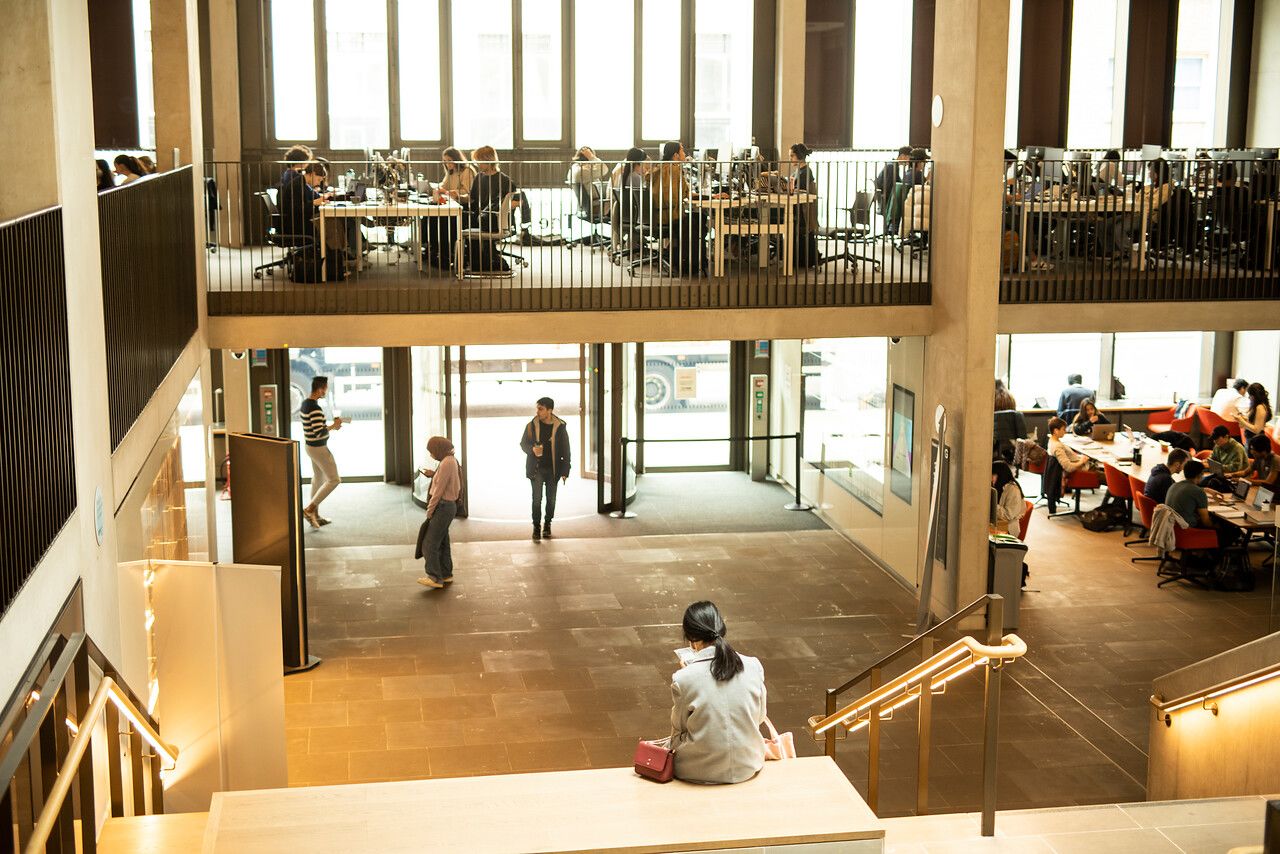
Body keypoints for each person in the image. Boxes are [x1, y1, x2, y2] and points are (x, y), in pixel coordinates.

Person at [666, 601, 766, 785]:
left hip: (697, 769)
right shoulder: (753, 665)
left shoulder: (683, 678)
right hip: (749, 763)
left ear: (691, 639)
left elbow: (679, 729)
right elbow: (759, 717)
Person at [648, 141, 707, 275]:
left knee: (698, 219)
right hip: (668, 217)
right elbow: (673, 198)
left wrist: (707, 195)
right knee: (699, 220)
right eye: (682, 151)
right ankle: (689, 262)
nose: (684, 154)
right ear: (675, 155)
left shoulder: (659, 167)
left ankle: (678, 256)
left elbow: (682, 193)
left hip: (657, 215)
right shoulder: (673, 169)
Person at [464, 145, 523, 273]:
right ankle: (470, 259)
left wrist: (502, 209)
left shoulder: (504, 180)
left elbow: (518, 201)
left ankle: (481, 260)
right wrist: (456, 196)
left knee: (468, 222)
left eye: (479, 161)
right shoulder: (479, 177)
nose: (477, 164)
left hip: (495, 220)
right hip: (480, 216)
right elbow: (472, 198)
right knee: (457, 219)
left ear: (488, 160)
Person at [520, 397, 570, 541]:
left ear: (550, 410)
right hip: (536, 469)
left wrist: (565, 470)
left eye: (541, 409)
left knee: (551, 500)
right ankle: (536, 526)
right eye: (537, 408)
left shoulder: (559, 427)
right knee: (536, 500)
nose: (538, 412)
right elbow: (523, 444)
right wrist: (532, 450)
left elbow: (566, 450)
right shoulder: (531, 425)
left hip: (553, 470)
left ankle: (547, 524)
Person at [416, 436, 460, 589]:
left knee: (429, 543)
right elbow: (445, 482)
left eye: (432, 451)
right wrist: (434, 474)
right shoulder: (450, 460)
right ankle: (446, 574)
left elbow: (439, 491)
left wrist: (430, 510)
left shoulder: (447, 462)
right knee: (442, 541)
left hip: (443, 507)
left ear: (438, 449)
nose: (431, 455)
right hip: (448, 507)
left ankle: (434, 577)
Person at [300, 376, 343, 528]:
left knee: (318, 478)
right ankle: (309, 509)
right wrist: (334, 426)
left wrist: (330, 427)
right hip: (319, 448)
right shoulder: (315, 408)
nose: (326, 391)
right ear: (320, 389)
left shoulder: (305, 404)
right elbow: (319, 432)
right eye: (325, 388)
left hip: (310, 447)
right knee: (334, 479)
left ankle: (315, 516)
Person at [423, 146, 475, 269]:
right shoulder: (451, 172)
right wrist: (437, 188)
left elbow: (468, 193)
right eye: (445, 161)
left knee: (440, 220)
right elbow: (443, 186)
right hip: (451, 206)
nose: (447, 164)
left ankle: (444, 254)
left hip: (464, 207)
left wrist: (451, 192)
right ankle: (433, 248)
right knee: (429, 216)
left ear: (457, 159)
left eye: (449, 160)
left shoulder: (467, 171)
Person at [787, 143, 819, 267]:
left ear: (799, 156)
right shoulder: (799, 171)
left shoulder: (806, 172)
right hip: (799, 209)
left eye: (792, 156)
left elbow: (798, 190)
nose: (790, 159)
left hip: (803, 212)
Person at [1164, 460, 1214, 529]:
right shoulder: (1198, 492)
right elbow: (1206, 522)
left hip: (1171, 527)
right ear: (1200, 474)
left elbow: (1188, 489)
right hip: (1187, 530)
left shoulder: (1174, 485)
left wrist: (1205, 489)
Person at [992, 461, 1026, 538]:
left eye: (993, 475)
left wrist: (991, 504)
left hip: (1008, 530)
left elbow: (1008, 515)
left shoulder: (1013, 490)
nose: (991, 478)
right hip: (999, 524)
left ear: (1001, 475)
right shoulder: (999, 487)